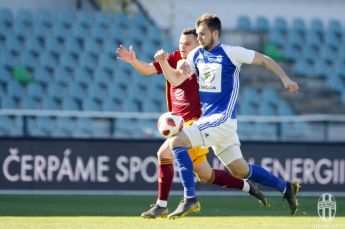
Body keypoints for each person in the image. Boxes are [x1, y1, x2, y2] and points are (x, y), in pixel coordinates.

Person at [154, 14, 300, 217]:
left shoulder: (231, 53)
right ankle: (286, 188)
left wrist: (285, 79)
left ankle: (190, 199)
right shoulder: (196, 54)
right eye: (198, 34)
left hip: (222, 118)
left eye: (203, 34)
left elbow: (265, 60)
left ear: (215, 33)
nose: (200, 38)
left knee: (176, 142)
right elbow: (177, 79)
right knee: (240, 170)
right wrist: (163, 63)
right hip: (212, 121)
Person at [116, 28, 267, 219]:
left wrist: (170, 65)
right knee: (205, 175)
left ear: (198, 45)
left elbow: (190, 78)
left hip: (196, 123)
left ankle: (161, 205)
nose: (182, 47)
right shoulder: (174, 57)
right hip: (180, 125)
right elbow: (147, 69)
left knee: (164, 153)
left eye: (187, 44)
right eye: (180, 43)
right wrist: (133, 61)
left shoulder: (203, 63)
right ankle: (248, 186)